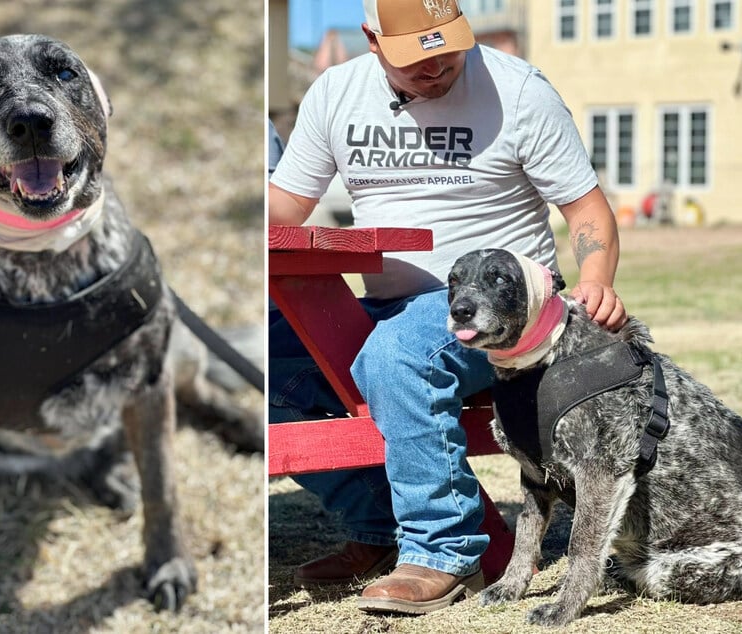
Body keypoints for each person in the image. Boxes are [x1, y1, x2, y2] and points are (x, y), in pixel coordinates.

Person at [268, 0, 627, 615]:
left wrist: (596, 279)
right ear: (372, 41)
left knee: (398, 356)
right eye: (416, 58)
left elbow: (587, 210)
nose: (435, 68)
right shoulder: (335, 92)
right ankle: (377, 524)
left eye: (447, 50)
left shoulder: (518, 89)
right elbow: (283, 210)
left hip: (508, 308)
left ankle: (444, 551)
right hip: (390, 304)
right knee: (267, 360)